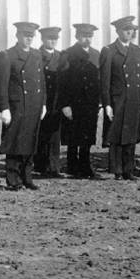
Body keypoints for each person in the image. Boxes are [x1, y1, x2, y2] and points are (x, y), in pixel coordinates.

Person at [0, 22, 47, 190]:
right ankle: (13, 179)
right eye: (26, 36)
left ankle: (27, 177)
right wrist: (4, 107)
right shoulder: (7, 55)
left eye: (31, 36)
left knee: (30, 140)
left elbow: (42, 81)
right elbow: (2, 84)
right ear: (17, 36)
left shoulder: (36, 54)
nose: (29, 39)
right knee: (15, 141)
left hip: (34, 104)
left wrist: (44, 102)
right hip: (17, 105)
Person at [100, 16, 140, 180]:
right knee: (117, 135)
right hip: (118, 100)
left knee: (131, 135)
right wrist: (107, 104)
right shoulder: (109, 50)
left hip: (133, 98)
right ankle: (117, 170)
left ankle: (128, 169)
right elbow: (105, 80)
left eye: (131, 30)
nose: (129, 32)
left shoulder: (137, 50)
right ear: (118, 31)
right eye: (126, 30)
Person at [59, 23, 101, 179]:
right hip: (74, 102)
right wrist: (65, 104)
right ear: (77, 36)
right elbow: (62, 82)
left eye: (90, 36)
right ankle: (72, 165)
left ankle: (85, 164)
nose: (87, 39)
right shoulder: (68, 54)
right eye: (84, 36)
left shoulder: (96, 54)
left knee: (88, 134)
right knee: (73, 135)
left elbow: (100, 79)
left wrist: (100, 101)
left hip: (90, 103)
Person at [32, 27, 63, 177]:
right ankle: (40, 165)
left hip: (56, 101)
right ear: (43, 40)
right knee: (41, 133)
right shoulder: (36, 55)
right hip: (41, 99)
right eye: (49, 39)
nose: (53, 41)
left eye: (55, 39)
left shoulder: (60, 56)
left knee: (55, 133)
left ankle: (54, 166)